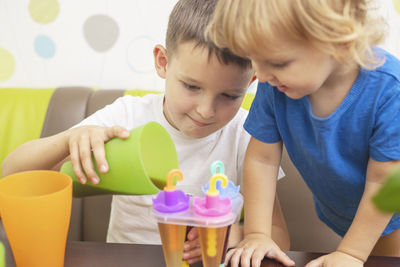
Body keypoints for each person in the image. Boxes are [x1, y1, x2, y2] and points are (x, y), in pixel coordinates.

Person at [1, 0, 290, 265]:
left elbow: (278, 236)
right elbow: (11, 175)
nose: (206, 110)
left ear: (251, 81)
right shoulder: (126, 117)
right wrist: (67, 141)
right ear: (163, 62)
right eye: (191, 86)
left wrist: (235, 235)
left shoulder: (246, 133)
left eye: (228, 95)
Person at [208, 0, 400, 266]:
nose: (261, 76)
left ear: (338, 40)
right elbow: (262, 159)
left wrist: (351, 253)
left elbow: (384, 183)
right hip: (349, 215)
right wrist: (257, 234)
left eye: (277, 62)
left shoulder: (390, 91)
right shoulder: (276, 83)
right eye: (254, 60)